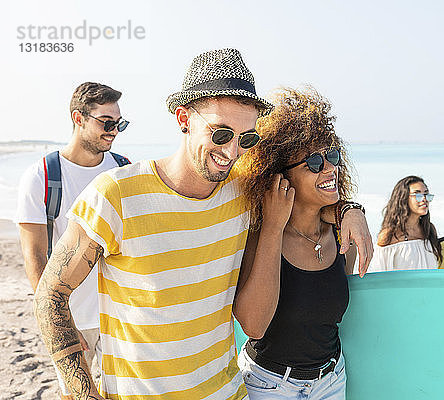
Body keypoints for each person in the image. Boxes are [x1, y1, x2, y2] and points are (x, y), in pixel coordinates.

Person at [33, 49, 372, 400]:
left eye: (247, 138)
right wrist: (83, 393)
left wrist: (350, 210)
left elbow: (305, 200)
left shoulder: (243, 195)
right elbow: (51, 294)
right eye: (220, 133)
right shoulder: (115, 195)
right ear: (183, 119)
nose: (232, 151)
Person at [233, 87, 359, 399]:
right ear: (280, 178)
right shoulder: (259, 235)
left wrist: (351, 209)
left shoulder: (342, 234)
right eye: (314, 162)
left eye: (332, 155)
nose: (330, 168)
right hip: (270, 384)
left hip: (332, 380)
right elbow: (253, 326)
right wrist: (274, 226)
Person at [15, 81, 129, 399]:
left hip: (117, 316)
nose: (115, 130)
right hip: (71, 317)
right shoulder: (41, 177)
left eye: (120, 123)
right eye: (107, 122)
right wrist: (60, 325)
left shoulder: (123, 170)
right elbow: (35, 256)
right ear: (78, 119)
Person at [371, 175, 442, 271]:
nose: (424, 199)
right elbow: (379, 273)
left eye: (426, 194)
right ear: (403, 198)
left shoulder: (429, 230)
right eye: (418, 195)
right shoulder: (389, 235)